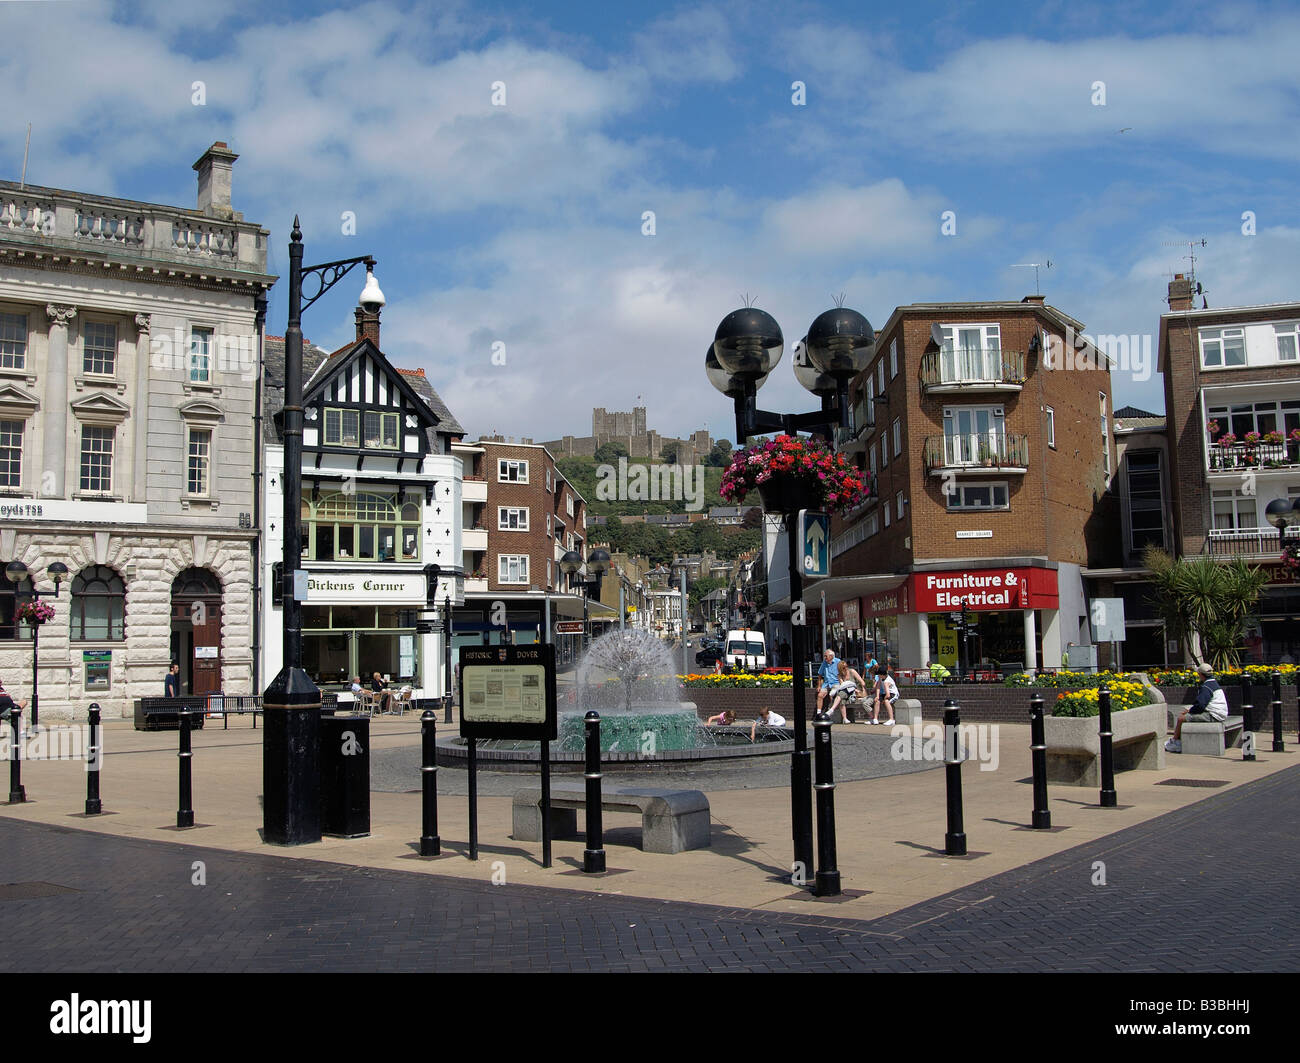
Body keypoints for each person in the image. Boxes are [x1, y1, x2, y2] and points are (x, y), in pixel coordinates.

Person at [1166, 662, 1228, 753]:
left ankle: (1175, 742)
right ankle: (1178, 740)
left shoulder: (1206, 687)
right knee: (1186, 715)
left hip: (1213, 715)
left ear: (1201, 675)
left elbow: (1200, 706)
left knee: (1181, 718)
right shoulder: (1213, 683)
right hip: (1219, 713)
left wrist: (1189, 711)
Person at [815, 648, 841, 715]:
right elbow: (820, 675)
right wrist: (819, 686)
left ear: (831, 656)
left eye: (826, 656)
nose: (825, 657)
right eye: (824, 656)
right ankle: (818, 713)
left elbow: (843, 672)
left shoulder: (838, 662)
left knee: (831, 694)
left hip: (836, 682)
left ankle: (830, 711)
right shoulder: (824, 663)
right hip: (827, 683)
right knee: (820, 695)